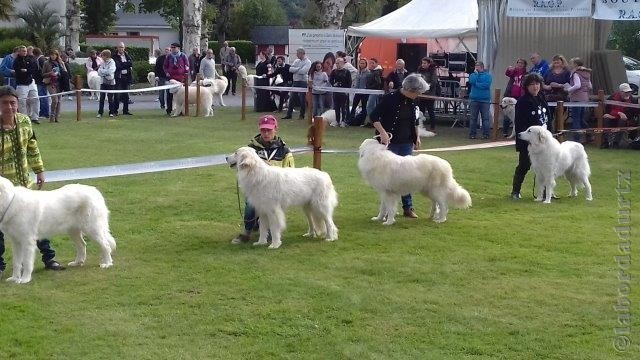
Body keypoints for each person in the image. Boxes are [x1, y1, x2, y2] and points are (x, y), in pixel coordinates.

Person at [0, 86, 65, 279]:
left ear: (17, 104)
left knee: (35, 224)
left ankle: (49, 259)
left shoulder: (25, 121)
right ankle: (1, 265)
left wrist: (39, 170)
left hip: (24, 186)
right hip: (4, 191)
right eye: (5, 103)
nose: (9, 107)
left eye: (13, 103)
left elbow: (32, 147)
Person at [369, 74, 428, 219]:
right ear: (410, 89)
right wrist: (382, 133)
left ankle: (408, 207)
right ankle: (385, 211)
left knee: (406, 176)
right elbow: (373, 116)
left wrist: (417, 137)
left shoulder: (414, 101)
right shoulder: (390, 98)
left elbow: (414, 121)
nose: (419, 94)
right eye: (418, 92)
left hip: (406, 142)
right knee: (387, 181)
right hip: (390, 144)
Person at [231, 114, 295, 244]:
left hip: (277, 189)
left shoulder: (284, 149)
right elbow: (242, 166)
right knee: (250, 205)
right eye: (263, 130)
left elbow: (290, 171)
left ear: (275, 129)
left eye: (269, 130)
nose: (266, 133)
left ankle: (271, 232)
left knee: (272, 208)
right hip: (256, 188)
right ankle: (247, 231)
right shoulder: (251, 148)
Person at [511, 73, 550, 200]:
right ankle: (515, 191)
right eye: (532, 84)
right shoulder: (522, 101)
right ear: (527, 86)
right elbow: (520, 123)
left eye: (537, 84)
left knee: (546, 166)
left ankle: (545, 192)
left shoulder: (542, 98)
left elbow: (548, 118)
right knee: (524, 165)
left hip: (544, 141)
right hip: (528, 141)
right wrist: (528, 140)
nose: (535, 87)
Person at [564, 57, 592, 142]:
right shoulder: (587, 73)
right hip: (584, 99)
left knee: (576, 119)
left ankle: (576, 140)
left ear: (575, 64)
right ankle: (589, 134)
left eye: (571, 63)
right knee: (580, 119)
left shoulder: (575, 73)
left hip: (576, 98)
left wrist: (567, 90)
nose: (570, 64)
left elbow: (577, 85)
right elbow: (590, 86)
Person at [542, 54, 571, 133]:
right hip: (549, 96)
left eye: (558, 60)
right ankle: (548, 133)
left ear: (562, 62)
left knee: (560, 117)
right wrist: (546, 87)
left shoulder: (567, 72)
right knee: (548, 116)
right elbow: (542, 83)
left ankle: (559, 133)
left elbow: (571, 84)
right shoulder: (548, 72)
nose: (556, 61)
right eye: (554, 60)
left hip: (562, 97)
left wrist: (560, 86)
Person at [603, 82, 636, 148]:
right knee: (606, 119)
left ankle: (616, 142)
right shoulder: (612, 97)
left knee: (622, 121)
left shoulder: (632, 100)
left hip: (626, 120)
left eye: (629, 92)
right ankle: (606, 141)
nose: (627, 94)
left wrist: (626, 116)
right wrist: (607, 114)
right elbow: (607, 108)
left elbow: (633, 112)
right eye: (625, 92)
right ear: (620, 92)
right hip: (612, 117)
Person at [13, 45, 40, 124]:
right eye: (23, 51)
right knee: (22, 102)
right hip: (21, 84)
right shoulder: (16, 61)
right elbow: (18, 71)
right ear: (19, 52)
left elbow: (35, 68)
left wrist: (26, 70)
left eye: (25, 51)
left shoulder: (31, 58)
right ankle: (24, 118)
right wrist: (26, 70)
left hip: (31, 82)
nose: (25, 52)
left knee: (35, 99)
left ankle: (35, 117)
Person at [283, 48, 311, 120]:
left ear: (302, 53)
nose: (296, 55)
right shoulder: (296, 61)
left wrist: (296, 70)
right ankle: (289, 115)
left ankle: (302, 115)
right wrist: (298, 68)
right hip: (295, 81)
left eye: (298, 53)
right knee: (292, 98)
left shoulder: (308, 62)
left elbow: (303, 71)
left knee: (302, 99)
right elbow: (290, 69)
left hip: (303, 82)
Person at [468, 61, 493, 139]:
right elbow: (471, 81)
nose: (476, 67)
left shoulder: (488, 75)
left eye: (477, 65)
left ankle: (486, 134)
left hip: (485, 100)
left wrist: (476, 84)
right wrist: (476, 75)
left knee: (485, 118)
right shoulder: (473, 75)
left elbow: (486, 85)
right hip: (474, 99)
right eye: (475, 65)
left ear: (481, 66)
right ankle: (472, 134)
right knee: (473, 118)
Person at [163, 42, 189, 116]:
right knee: (169, 94)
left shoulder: (183, 56)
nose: (172, 49)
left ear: (178, 48)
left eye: (174, 47)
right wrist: (167, 72)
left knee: (180, 95)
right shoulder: (169, 56)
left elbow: (187, 66)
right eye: (171, 47)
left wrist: (185, 76)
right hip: (171, 78)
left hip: (180, 78)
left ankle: (180, 110)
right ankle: (169, 109)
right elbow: (165, 66)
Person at [42, 50, 67, 123]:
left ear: (57, 55)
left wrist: (63, 66)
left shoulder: (60, 62)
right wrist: (50, 73)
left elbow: (65, 72)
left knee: (59, 101)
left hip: (59, 83)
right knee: (54, 100)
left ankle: (57, 117)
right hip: (50, 83)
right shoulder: (46, 63)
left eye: (55, 55)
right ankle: (52, 116)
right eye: (52, 55)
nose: (53, 56)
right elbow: (43, 74)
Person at [417, 57, 441, 132]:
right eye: (422, 63)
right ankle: (419, 127)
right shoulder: (419, 70)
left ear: (429, 64)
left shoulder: (433, 71)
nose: (423, 65)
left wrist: (426, 87)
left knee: (431, 111)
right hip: (421, 94)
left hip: (430, 94)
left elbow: (434, 82)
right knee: (421, 111)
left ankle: (432, 128)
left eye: (424, 63)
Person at [329, 57, 352, 127]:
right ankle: (337, 120)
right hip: (336, 92)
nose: (337, 65)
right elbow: (331, 80)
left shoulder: (347, 72)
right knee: (336, 107)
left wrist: (347, 90)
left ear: (342, 63)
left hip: (344, 92)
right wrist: (333, 84)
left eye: (338, 63)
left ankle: (344, 121)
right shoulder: (334, 71)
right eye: (336, 63)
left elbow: (349, 82)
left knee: (344, 107)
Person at [113, 42, 133, 116]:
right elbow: (118, 66)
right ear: (117, 48)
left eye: (122, 47)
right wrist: (126, 64)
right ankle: (115, 111)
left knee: (126, 95)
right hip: (119, 78)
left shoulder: (127, 55)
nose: (121, 49)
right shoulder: (114, 56)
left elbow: (131, 63)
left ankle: (125, 110)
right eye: (120, 47)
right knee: (117, 95)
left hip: (126, 77)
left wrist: (124, 64)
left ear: (124, 48)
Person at [96, 49, 117, 118]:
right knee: (101, 98)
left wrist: (103, 72)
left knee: (110, 98)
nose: (101, 57)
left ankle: (111, 112)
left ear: (106, 56)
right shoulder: (102, 62)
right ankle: (100, 113)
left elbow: (111, 71)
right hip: (103, 82)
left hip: (111, 82)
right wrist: (104, 72)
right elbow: (99, 72)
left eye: (103, 56)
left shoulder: (112, 62)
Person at [349, 57, 370, 126]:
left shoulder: (368, 72)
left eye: (363, 63)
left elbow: (368, 83)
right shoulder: (358, 72)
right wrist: (355, 89)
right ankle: (351, 121)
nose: (362, 64)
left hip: (365, 92)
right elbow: (357, 82)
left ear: (366, 64)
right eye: (360, 63)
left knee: (364, 107)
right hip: (358, 92)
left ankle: (362, 122)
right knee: (354, 106)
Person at [364, 57, 384, 127]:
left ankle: (372, 121)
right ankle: (373, 122)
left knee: (369, 107)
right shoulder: (373, 71)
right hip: (372, 91)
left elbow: (378, 82)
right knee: (373, 107)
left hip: (374, 92)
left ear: (376, 64)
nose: (371, 64)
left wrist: (370, 87)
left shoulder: (377, 72)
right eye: (370, 63)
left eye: (373, 63)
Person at [32, 47, 50, 120]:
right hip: (41, 80)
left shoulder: (40, 60)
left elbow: (42, 71)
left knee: (42, 96)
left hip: (41, 81)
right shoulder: (43, 59)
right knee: (43, 96)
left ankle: (44, 113)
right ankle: (44, 112)